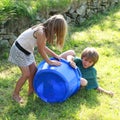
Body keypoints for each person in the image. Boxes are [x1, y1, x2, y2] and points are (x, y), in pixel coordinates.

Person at [8, 14, 68, 103]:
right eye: (57, 32)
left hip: (27, 50)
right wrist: (49, 62)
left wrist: (56, 56)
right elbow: (41, 50)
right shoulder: (41, 32)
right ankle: (15, 94)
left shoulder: (45, 31)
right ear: (54, 28)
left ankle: (31, 90)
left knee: (34, 71)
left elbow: (43, 47)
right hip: (18, 50)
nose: (56, 34)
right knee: (26, 74)